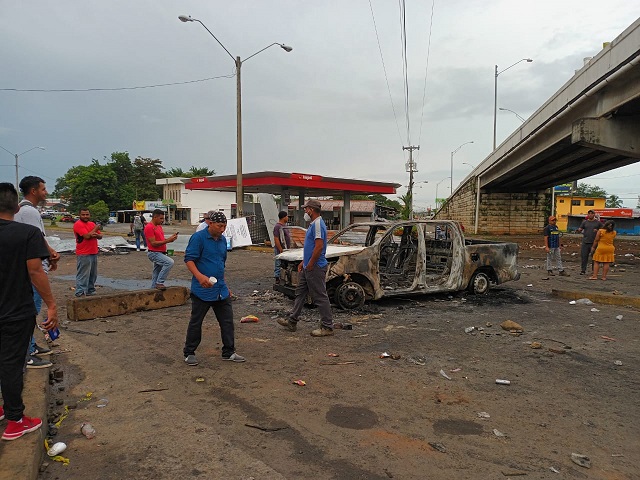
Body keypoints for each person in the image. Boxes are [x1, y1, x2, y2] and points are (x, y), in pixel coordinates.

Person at [0, 182, 58, 441]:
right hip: (15, 310)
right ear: (15, 206)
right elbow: (35, 272)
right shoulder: (26, 233)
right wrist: (52, 304)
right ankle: (15, 420)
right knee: (12, 364)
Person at [182, 211, 245, 365]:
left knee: (227, 321)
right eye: (219, 226)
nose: (222, 229)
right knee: (196, 322)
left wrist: (225, 286)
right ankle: (189, 352)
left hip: (220, 290)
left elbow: (220, 265)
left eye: (224, 226)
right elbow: (189, 259)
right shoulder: (198, 238)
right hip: (202, 289)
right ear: (210, 223)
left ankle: (228, 351)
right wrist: (200, 277)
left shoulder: (223, 240)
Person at [14, 176, 60, 369]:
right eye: (43, 189)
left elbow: (38, 237)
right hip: (33, 268)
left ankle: (31, 346)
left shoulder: (23, 210)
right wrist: (49, 254)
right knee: (31, 309)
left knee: (31, 309)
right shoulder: (29, 212)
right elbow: (37, 238)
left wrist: (49, 252)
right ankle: (28, 352)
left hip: (27, 265)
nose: (46, 192)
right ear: (33, 191)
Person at [278, 199, 334, 337]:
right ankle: (292, 320)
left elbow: (319, 246)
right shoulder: (313, 224)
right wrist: (304, 261)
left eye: (306, 209)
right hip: (309, 266)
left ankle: (327, 326)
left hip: (315, 267)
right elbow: (311, 247)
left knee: (320, 296)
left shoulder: (317, 225)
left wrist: (310, 264)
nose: (305, 211)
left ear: (311, 210)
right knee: (300, 293)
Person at [144, 209, 178, 290]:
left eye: (163, 218)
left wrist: (170, 239)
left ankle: (153, 289)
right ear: (155, 217)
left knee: (156, 272)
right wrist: (168, 240)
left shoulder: (158, 226)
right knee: (169, 262)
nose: (163, 220)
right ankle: (160, 282)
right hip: (154, 253)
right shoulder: (149, 227)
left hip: (160, 252)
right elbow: (153, 243)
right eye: (161, 218)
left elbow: (161, 240)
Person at [73, 208, 102, 297]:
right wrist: (95, 229)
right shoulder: (78, 224)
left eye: (87, 214)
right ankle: (80, 292)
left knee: (93, 274)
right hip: (83, 253)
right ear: (80, 215)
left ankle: (90, 290)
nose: (85, 216)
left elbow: (100, 236)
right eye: (83, 215)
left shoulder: (91, 224)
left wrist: (96, 234)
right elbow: (86, 236)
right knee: (83, 273)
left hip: (93, 251)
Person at [576, 210, 604, 275]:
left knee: (594, 258)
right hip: (585, 242)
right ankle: (583, 270)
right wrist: (579, 230)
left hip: (594, 243)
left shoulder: (598, 223)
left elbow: (603, 231)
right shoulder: (584, 222)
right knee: (584, 257)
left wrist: (597, 231)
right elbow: (580, 228)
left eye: (592, 213)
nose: (590, 215)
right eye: (589, 213)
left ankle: (594, 271)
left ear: (594, 214)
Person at [273, 211, 291, 284]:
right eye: (287, 216)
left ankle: (284, 277)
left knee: (284, 263)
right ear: (284, 217)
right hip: (280, 249)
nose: (288, 218)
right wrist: (280, 248)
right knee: (278, 263)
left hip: (286, 249)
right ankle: (277, 277)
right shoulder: (278, 226)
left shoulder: (284, 226)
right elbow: (276, 238)